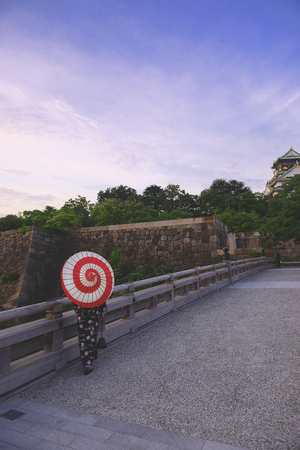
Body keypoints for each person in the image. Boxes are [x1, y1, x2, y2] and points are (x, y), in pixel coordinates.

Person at [73, 302, 107, 375]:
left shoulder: (81, 293)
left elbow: (75, 306)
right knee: (92, 339)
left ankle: (86, 363)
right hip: (94, 316)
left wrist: (80, 310)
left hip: (82, 317)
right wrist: (102, 311)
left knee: (83, 340)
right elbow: (102, 300)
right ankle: (89, 363)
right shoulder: (96, 292)